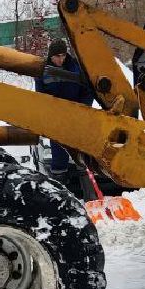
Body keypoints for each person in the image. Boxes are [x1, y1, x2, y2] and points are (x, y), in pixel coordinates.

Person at [35, 38, 96, 190]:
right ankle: (61, 190)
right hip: (58, 118)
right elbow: (41, 96)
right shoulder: (43, 71)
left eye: (63, 55)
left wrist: (82, 108)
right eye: (57, 56)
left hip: (77, 115)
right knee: (59, 152)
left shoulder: (76, 68)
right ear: (51, 56)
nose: (60, 59)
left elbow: (88, 91)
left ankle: (89, 192)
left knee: (81, 152)